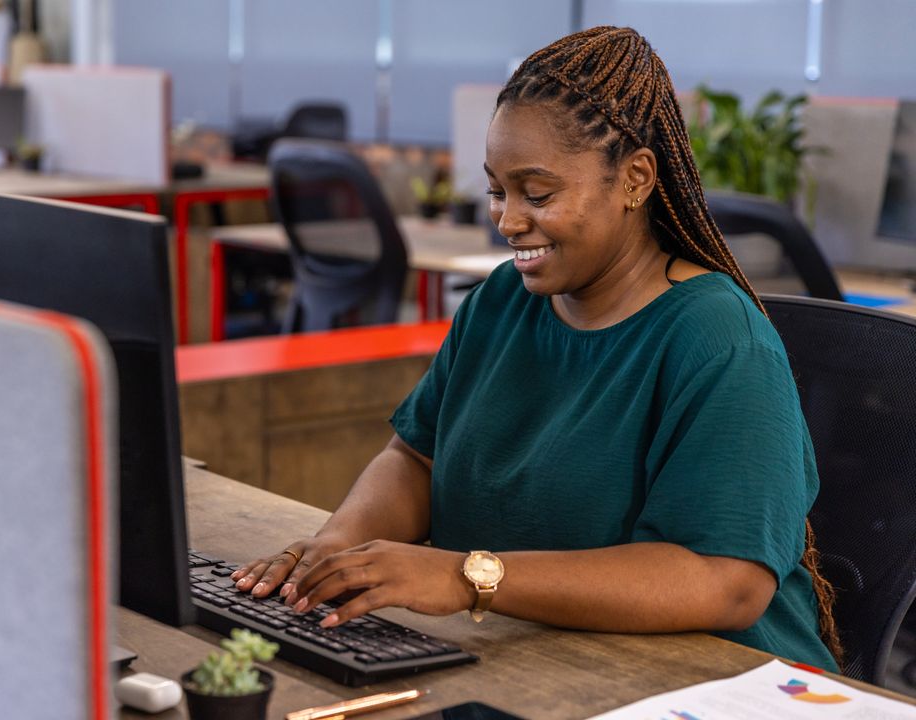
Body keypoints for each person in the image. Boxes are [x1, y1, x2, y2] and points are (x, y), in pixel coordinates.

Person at [232, 26, 841, 671]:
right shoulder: (502, 301)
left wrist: (468, 577)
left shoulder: (718, 339)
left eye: (539, 194)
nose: (508, 220)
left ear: (635, 178)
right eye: (497, 190)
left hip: (712, 685)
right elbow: (415, 458)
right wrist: (336, 549)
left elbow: (728, 582)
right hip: (547, 663)